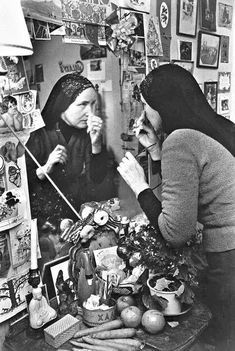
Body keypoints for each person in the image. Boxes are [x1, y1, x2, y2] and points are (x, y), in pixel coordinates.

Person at [117, 64, 235, 351]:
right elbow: (188, 187)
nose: (144, 116)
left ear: (165, 106)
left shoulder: (180, 140)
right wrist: (157, 152)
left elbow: (175, 231)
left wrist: (139, 185)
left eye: (148, 107)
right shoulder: (217, 126)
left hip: (228, 261)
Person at [26, 73, 112, 228]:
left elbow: (98, 180)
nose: (90, 113)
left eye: (94, 106)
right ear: (62, 104)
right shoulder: (38, 133)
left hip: (76, 215)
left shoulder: (88, 134)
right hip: (43, 221)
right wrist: (44, 170)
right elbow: (19, 184)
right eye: (83, 104)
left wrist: (97, 144)